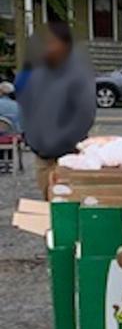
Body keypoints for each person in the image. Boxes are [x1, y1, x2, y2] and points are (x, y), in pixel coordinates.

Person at [18, 22, 96, 197]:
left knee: (66, 201)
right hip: (42, 156)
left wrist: (61, 143)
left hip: (67, 155)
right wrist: (32, 139)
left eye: (52, 42)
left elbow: (85, 115)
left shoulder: (78, 75)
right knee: (48, 201)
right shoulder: (38, 72)